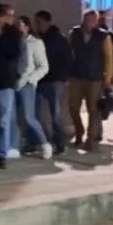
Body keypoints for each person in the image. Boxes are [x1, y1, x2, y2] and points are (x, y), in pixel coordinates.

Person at [68, 10, 113, 150]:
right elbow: (68, 53)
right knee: (73, 107)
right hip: (76, 76)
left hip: (95, 77)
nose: (90, 22)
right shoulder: (74, 33)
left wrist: (107, 79)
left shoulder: (103, 36)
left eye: (94, 20)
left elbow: (108, 58)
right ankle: (79, 131)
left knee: (93, 110)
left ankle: (90, 137)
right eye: (88, 19)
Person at [0, 3, 23, 168]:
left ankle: (1, 154)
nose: (12, 19)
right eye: (9, 15)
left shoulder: (13, 34)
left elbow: (13, 53)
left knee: (3, 121)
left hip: (5, 82)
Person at [33, 10, 72, 156]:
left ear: (47, 22)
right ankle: (43, 141)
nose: (38, 25)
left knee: (56, 113)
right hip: (39, 80)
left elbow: (67, 58)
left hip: (55, 80)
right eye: (36, 23)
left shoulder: (58, 38)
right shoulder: (37, 38)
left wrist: (64, 77)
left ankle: (59, 143)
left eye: (39, 22)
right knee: (35, 113)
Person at [14, 16, 52, 157]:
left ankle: (44, 143)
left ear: (28, 26)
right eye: (18, 24)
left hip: (26, 83)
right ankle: (15, 145)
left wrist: (31, 79)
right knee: (13, 117)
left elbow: (44, 66)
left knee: (28, 117)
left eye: (23, 24)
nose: (20, 27)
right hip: (13, 82)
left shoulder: (35, 43)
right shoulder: (14, 41)